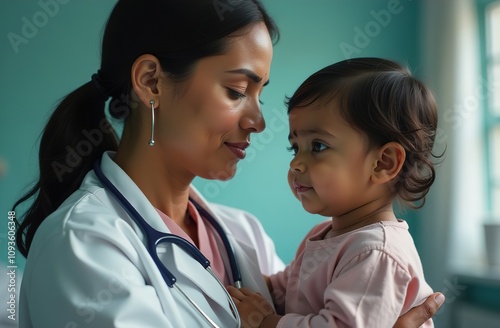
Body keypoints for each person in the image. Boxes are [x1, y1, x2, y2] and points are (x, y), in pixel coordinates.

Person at [11, 0, 443, 326]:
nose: (257, 121)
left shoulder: (241, 235)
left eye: (260, 94)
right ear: (150, 82)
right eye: (237, 91)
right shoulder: (83, 246)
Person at [227, 57, 443, 328]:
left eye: (317, 146)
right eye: (295, 147)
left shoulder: (376, 253)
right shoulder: (325, 235)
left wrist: (265, 322)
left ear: (383, 163)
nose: (296, 163)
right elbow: (282, 291)